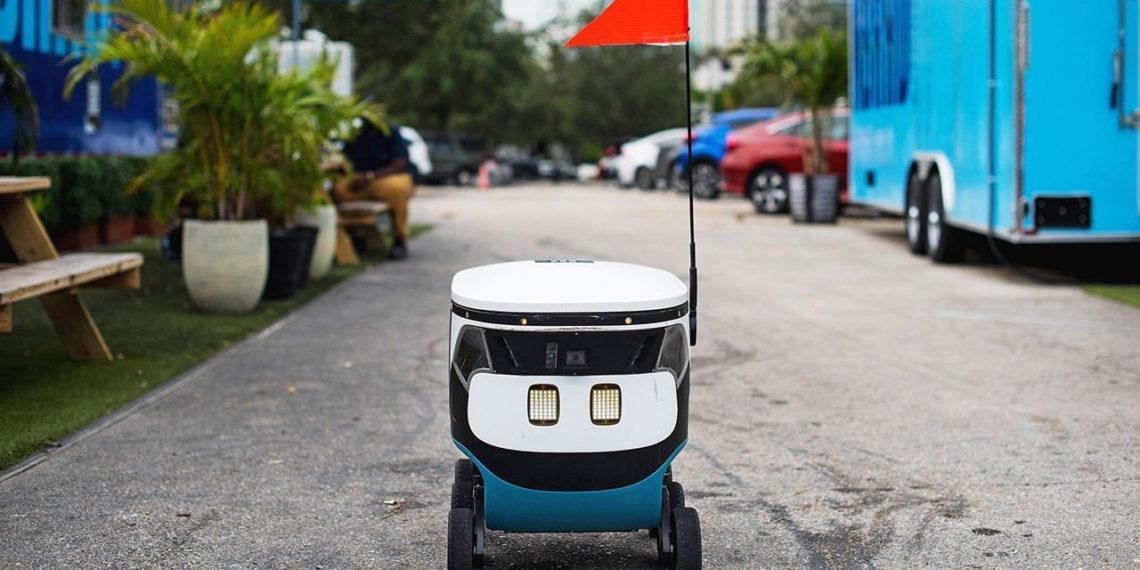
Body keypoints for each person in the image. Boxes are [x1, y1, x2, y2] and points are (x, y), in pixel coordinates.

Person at [333, 119, 415, 260]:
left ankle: (399, 239)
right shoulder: (357, 134)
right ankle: (355, 234)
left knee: (397, 189)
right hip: (361, 179)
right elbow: (346, 159)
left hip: (385, 178)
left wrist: (369, 176)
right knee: (338, 189)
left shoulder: (391, 132)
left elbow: (400, 163)